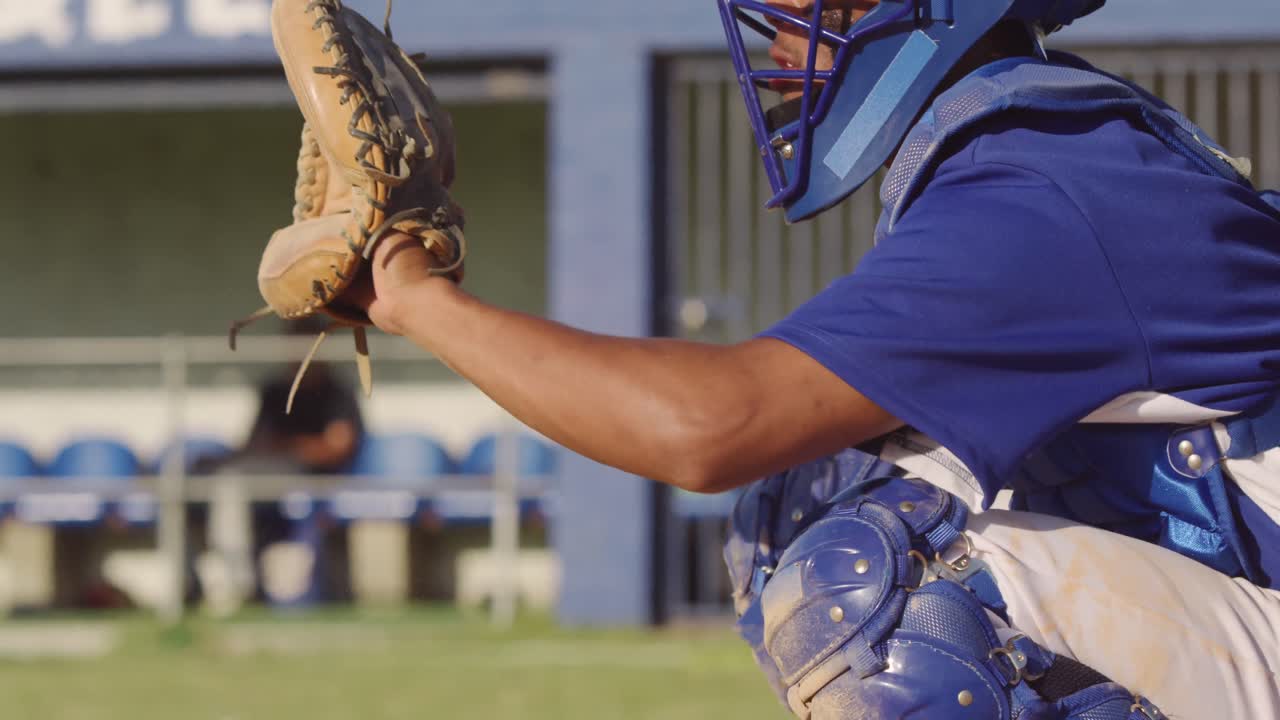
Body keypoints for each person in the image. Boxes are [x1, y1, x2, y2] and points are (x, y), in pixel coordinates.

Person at [346, 1, 1280, 716]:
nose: (781, 40)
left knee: (876, 586)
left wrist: (419, 299)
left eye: (812, 6)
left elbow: (709, 428)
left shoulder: (1046, 193)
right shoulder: (1041, 151)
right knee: (813, 489)